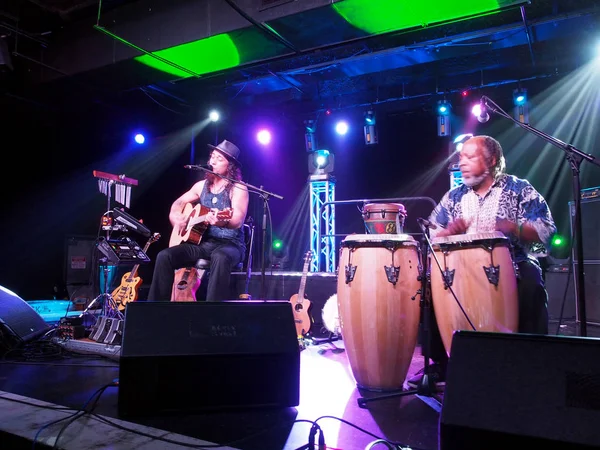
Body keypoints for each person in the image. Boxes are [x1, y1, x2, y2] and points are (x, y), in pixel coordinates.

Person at [407, 135, 557, 389]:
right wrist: (446, 233)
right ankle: (444, 364)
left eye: (470, 157)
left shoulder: (518, 189)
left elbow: (546, 228)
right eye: (461, 157)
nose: (462, 162)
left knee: (531, 280)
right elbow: (432, 234)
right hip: (460, 270)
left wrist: (515, 227)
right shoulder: (453, 197)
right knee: (427, 290)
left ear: (492, 160)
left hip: (512, 265)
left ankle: (530, 364)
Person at [147, 139, 249, 302]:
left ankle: (212, 315)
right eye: (212, 156)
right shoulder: (200, 186)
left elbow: (237, 218)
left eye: (219, 159)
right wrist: (175, 217)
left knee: (220, 257)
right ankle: (157, 310)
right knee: (164, 256)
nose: (213, 161)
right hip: (204, 244)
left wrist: (221, 221)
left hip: (231, 245)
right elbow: (178, 203)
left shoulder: (238, 187)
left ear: (230, 166)